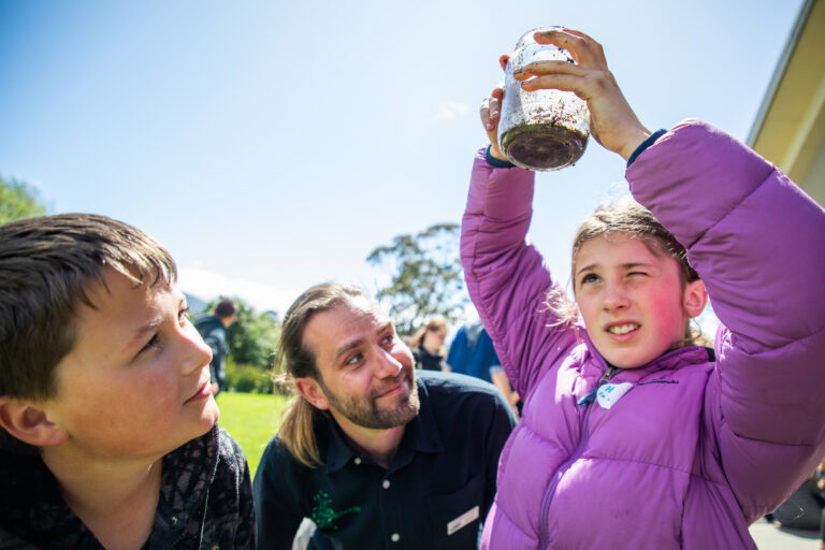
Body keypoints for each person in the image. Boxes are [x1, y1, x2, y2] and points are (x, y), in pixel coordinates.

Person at [462, 28, 825, 549]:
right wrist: (503, 162)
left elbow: (802, 299)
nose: (612, 297)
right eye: (591, 278)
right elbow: (494, 261)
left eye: (636, 273)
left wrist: (636, 141)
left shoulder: (725, 414)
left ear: (693, 295)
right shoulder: (552, 362)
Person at [0, 213, 255, 549]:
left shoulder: (220, 464)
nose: (203, 352)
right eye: (150, 343)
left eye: (182, 315)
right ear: (35, 417)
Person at [252, 282, 516, 549]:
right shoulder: (291, 457)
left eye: (387, 339)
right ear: (313, 391)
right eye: (354, 358)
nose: (392, 367)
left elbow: (524, 533)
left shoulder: (480, 415)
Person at [446, 320, 519, 417]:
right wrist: (510, 409)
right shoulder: (494, 331)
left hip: (456, 405)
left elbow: (447, 369)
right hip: (484, 408)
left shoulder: (461, 330)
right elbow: (497, 374)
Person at [195, 298, 237, 394]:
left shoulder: (199, 324)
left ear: (214, 309)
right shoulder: (217, 332)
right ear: (231, 317)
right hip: (205, 385)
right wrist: (212, 380)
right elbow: (207, 351)